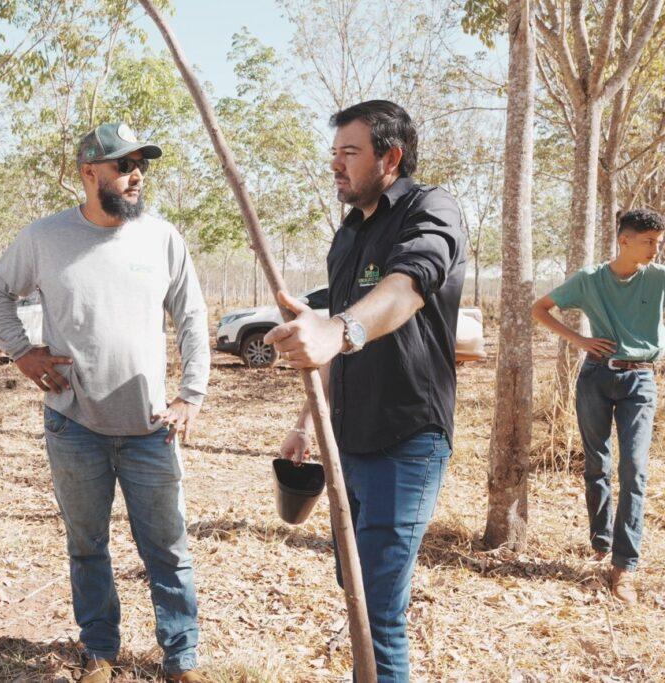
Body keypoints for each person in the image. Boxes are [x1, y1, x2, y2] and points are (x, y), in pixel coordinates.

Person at [0, 122, 211, 683]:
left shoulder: (161, 238)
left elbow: (192, 316)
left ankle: (181, 660)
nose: (136, 176)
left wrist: (191, 395)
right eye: (123, 165)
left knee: (168, 551)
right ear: (89, 173)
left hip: (150, 425)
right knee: (87, 547)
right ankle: (101, 650)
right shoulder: (44, 238)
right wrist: (21, 353)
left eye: (141, 166)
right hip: (74, 425)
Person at [265, 100, 465, 682]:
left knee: (378, 609)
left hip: (407, 439)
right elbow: (328, 344)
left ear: (391, 157)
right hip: (346, 439)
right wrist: (307, 421)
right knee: (353, 586)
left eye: (350, 153)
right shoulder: (347, 236)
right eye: (334, 154)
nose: (336, 165)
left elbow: (406, 288)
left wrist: (342, 328)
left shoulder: (431, 210)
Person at [532, 208, 665, 605]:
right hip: (595, 377)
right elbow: (539, 309)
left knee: (635, 469)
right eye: (649, 242)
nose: (656, 249)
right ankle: (601, 539)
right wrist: (581, 340)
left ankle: (624, 567)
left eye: (659, 242)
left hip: (640, 380)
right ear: (624, 240)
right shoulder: (589, 279)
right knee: (597, 463)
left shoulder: (658, 278)